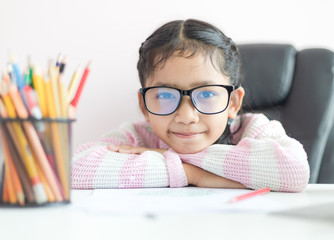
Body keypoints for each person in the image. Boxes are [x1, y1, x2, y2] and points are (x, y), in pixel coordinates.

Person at [71, 19, 309, 192]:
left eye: (206, 93)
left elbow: (294, 170)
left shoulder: (252, 127)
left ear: (233, 103)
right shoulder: (136, 136)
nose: (186, 116)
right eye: (164, 96)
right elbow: (75, 170)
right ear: (144, 105)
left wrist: (167, 157)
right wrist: (191, 174)